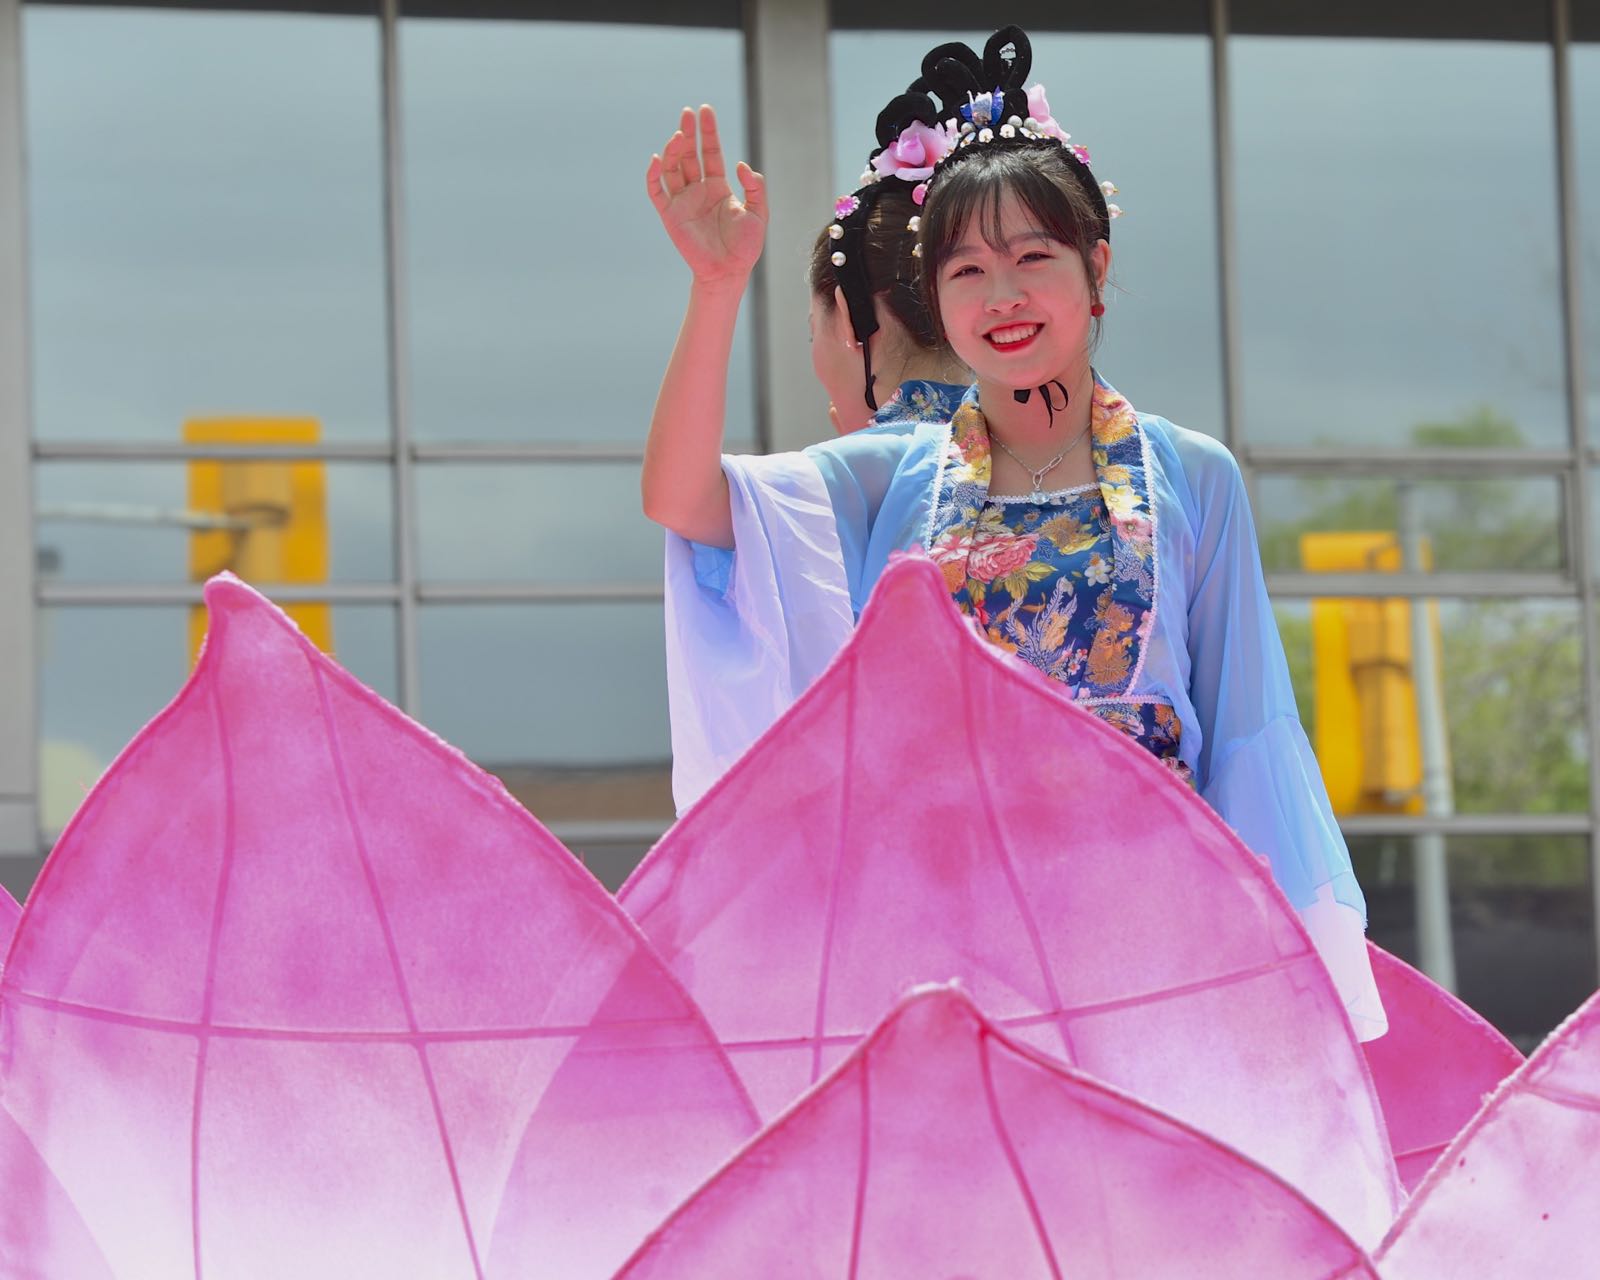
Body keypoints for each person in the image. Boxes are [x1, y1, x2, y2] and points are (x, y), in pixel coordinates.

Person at [642, 28, 1384, 1039]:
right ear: (936, 299)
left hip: (1151, 945)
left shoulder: (1191, 474)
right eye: (966, 271)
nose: (1002, 297)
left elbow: (1247, 734)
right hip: (942, 954)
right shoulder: (893, 478)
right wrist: (715, 286)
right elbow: (682, 499)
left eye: (1033, 258)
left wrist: (1275, 992)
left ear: (1095, 267)